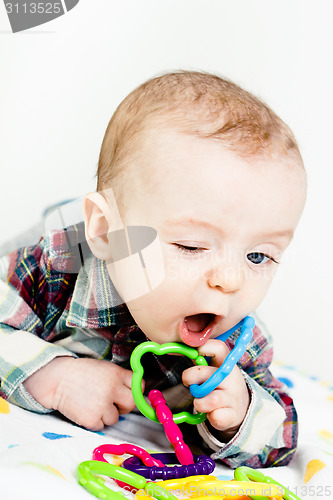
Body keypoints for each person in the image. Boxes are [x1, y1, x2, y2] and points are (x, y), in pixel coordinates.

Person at [0, 71, 306, 468]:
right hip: (77, 234)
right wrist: (53, 378)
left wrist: (240, 413)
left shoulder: (237, 341)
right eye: (191, 245)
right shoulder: (57, 267)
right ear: (106, 230)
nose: (230, 281)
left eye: (258, 257)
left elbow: (283, 437)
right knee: (60, 221)